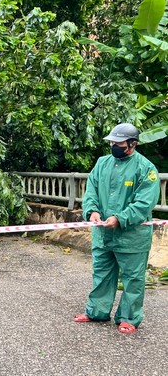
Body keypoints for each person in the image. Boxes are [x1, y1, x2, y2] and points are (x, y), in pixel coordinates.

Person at [73, 123, 160, 335]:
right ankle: (96, 311)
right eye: (112, 142)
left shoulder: (146, 168)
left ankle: (129, 317)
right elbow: (91, 189)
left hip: (131, 236)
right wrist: (92, 211)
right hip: (103, 234)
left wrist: (120, 218)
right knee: (102, 274)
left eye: (118, 143)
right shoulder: (102, 163)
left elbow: (144, 203)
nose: (113, 146)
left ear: (132, 144)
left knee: (133, 278)